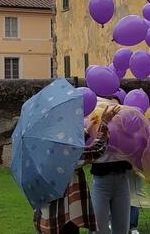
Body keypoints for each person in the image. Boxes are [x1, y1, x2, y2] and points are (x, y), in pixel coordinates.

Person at [34, 105, 121, 234]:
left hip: (45, 218)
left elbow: (72, 152)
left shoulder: (40, 147)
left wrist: (86, 132)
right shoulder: (62, 152)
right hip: (63, 219)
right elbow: (95, 150)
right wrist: (104, 123)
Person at [89, 97, 133, 234]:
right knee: (99, 228)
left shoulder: (127, 127)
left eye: (116, 108)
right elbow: (91, 150)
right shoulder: (95, 125)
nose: (113, 112)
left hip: (121, 180)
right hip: (101, 182)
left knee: (122, 228)